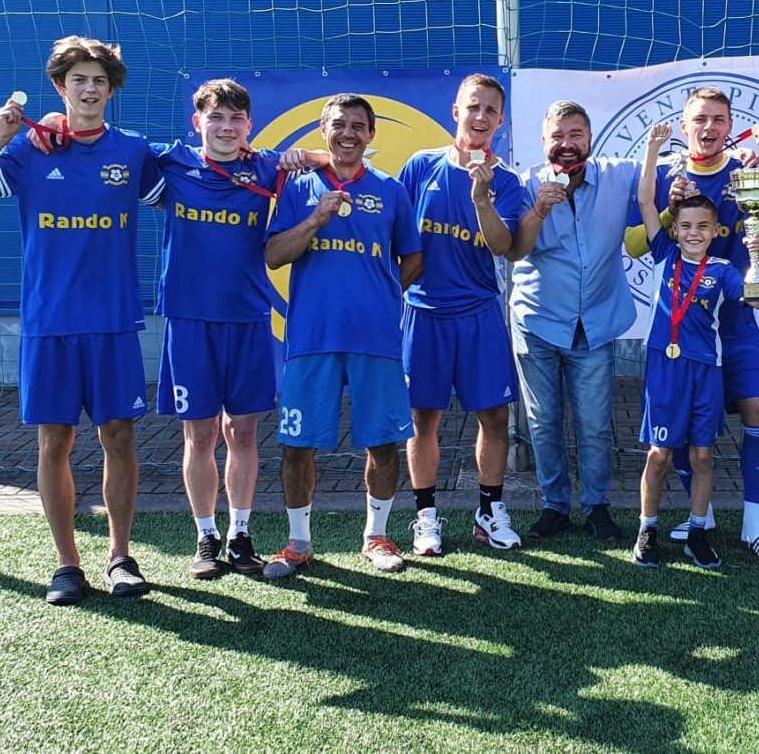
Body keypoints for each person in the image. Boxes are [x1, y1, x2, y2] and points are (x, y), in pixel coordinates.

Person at [0, 35, 164, 605]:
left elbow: (191, 186)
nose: (89, 90)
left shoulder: (133, 150)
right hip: (49, 321)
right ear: (60, 87)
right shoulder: (28, 151)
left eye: (99, 81)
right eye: (78, 80)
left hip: (113, 321)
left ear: (111, 90)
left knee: (118, 437)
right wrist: (0, 136)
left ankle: (120, 557)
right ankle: (67, 565)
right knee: (54, 441)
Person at [623, 87, 759, 564]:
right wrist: (670, 209)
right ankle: (702, 518)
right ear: (685, 125)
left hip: (736, 324)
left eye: (718, 119)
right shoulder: (667, 176)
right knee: (689, 431)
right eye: (699, 119)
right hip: (684, 337)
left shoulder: (746, 172)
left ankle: (754, 524)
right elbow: (634, 245)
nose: (708, 127)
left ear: (730, 126)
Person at [154, 79, 311, 579]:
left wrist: (303, 156)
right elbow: (104, 143)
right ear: (197, 122)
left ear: (249, 125)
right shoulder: (170, 162)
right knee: (199, 435)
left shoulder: (264, 167)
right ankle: (205, 536)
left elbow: (328, 160)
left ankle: (240, 533)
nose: (225, 127)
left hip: (247, 317)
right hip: (189, 318)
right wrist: (56, 123)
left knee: (242, 432)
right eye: (215, 118)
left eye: (235, 119)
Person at [261, 93, 423, 578]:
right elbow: (274, 255)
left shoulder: (391, 189)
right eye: (339, 124)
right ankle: (298, 542)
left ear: (371, 134)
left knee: (383, 442)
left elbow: (413, 257)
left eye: (357, 125)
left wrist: (382, 294)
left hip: (376, 337)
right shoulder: (298, 187)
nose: (348, 133)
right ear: (322, 130)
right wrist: (315, 219)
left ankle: (377, 536)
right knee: (298, 445)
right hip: (312, 337)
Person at [397, 74, 527, 554]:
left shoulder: (506, 182)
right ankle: (425, 517)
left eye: (490, 110)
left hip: (478, 314)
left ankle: (489, 512)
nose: (481, 117)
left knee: (494, 418)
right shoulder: (420, 166)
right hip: (424, 313)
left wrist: (480, 198)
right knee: (423, 420)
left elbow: (503, 245)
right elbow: (396, 234)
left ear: (501, 120)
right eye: (473, 107)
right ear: (456, 111)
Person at [632, 123, 759, 568]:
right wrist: (652, 149)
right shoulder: (664, 254)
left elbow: (758, 301)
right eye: (686, 226)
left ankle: (697, 531)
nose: (693, 233)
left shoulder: (724, 270)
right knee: (659, 455)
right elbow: (645, 201)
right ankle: (647, 530)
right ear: (675, 230)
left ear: (714, 231)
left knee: (703, 455)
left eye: (703, 227)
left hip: (706, 368)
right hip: (665, 367)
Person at [506, 100, 635, 544]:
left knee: (595, 425)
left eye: (576, 135)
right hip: (537, 322)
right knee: (543, 423)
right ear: (543, 141)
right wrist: (539, 210)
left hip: (594, 324)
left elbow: (675, 169)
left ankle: (596, 505)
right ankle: (555, 505)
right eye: (557, 136)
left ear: (590, 138)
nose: (567, 144)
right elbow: (514, 250)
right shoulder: (525, 184)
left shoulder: (619, 175)